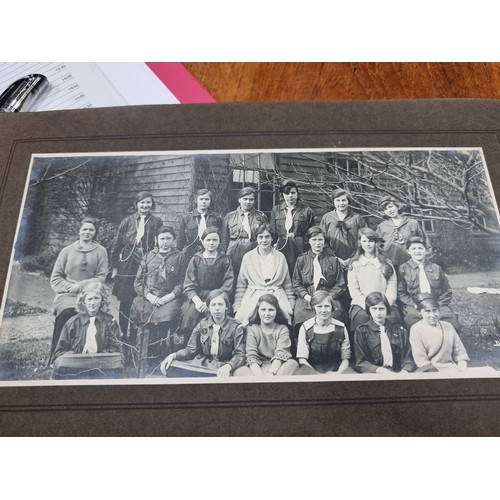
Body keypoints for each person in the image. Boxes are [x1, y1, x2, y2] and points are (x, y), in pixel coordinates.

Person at [48, 216, 108, 365]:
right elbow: (56, 277)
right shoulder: (67, 251)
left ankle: (90, 356)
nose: (87, 232)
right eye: (84, 229)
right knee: (67, 312)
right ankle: (57, 357)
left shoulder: (101, 251)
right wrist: (70, 287)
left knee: (96, 315)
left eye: (91, 230)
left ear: (95, 232)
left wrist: (82, 287)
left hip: (92, 292)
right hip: (67, 294)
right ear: (79, 231)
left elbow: (101, 277)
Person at [128, 226, 186, 374]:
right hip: (149, 297)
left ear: (173, 240)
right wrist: (150, 296)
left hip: (170, 298)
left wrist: (172, 295)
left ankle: (164, 354)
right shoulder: (149, 256)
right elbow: (138, 282)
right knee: (142, 311)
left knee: (170, 314)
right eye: (162, 239)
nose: (165, 242)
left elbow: (182, 281)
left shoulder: (179, 256)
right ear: (156, 239)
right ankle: (147, 357)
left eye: (168, 238)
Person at [111, 191, 163, 338]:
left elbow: (160, 243)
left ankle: (137, 332)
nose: (145, 205)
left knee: (141, 295)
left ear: (151, 204)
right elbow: (117, 244)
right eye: (142, 202)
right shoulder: (127, 222)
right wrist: (114, 267)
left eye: (148, 202)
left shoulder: (156, 222)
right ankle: (123, 331)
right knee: (126, 297)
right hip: (127, 262)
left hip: (146, 260)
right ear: (136, 204)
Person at [160, 289, 246, 377]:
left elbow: (240, 354)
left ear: (226, 307)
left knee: (234, 375)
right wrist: (174, 355)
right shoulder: (202, 324)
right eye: (213, 305)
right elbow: (190, 350)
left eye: (220, 304)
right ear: (208, 307)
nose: (217, 308)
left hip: (223, 365)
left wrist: (229, 366)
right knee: (171, 366)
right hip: (202, 364)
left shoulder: (235, 327)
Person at [291, 226, 347, 354]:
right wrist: (307, 297)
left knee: (336, 315)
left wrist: (329, 297)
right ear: (308, 241)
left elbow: (340, 284)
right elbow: (296, 283)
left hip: (328, 296)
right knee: (300, 317)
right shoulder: (302, 259)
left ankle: (334, 351)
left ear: (324, 241)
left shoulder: (333, 260)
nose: (317, 243)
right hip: (307, 297)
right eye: (314, 239)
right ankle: (303, 352)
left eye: (320, 240)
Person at [52, 282, 122, 379]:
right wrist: (77, 357)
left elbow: (116, 348)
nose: (93, 303)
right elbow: (60, 351)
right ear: (83, 301)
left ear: (102, 300)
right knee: (61, 362)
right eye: (89, 299)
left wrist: (97, 357)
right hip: (77, 362)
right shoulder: (73, 322)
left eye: (96, 298)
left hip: (102, 363)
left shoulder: (110, 322)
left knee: (118, 360)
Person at [179, 227, 234, 347]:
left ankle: (215, 348)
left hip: (218, 297)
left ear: (219, 242)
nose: (211, 243)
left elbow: (228, 284)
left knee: (218, 315)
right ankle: (189, 348)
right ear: (202, 241)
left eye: (215, 240)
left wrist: (213, 301)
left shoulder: (225, 260)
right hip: (199, 298)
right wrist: (198, 302)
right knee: (190, 315)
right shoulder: (196, 259)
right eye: (208, 240)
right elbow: (189, 285)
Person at [234, 223, 295, 326]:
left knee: (284, 320)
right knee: (244, 320)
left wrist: (291, 305)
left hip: (276, 295)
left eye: (267, 237)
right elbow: (241, 285)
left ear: (272, 238)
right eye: (260, 237)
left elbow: (287, 285)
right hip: (253, 295)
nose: (264, 240)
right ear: (256, 239)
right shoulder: (248, 257)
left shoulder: (280, 257)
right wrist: (237, 306)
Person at [397, 236, 460, 331]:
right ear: (408, 251)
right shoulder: (403, 269)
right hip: (415, 305)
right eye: (413, 248)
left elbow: (447, 290)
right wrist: (413, 304)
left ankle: (446, 343)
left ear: (426, 251)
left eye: (420, 248)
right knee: (411, 322)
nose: (417, 251)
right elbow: (401, 292)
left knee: (452, 322)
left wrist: (439, 304)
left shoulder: (436, 268)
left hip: (437, 303)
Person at [347, 227, 400, 333]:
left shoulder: (386, 263)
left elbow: (392, 287)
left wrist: (384, 305)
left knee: (392, 319)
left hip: (385, 304)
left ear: (376, 242)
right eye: (364, 241)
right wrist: (368, 307)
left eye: (370, 241)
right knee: (361, 320)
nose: (367, 244)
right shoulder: (355, 264)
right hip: (361, 305)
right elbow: (354, 290)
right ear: (360, 243)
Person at [235, 294, 298, 377]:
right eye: (263, 309)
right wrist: (260, 377)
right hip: (258, 368)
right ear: (258, 311)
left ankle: (274, 385)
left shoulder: (282, 329)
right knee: (240, 371)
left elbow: (281, 353)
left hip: (277, 367)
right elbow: (251, 355)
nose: (267, 313)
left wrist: (271, 373)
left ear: (276, 312)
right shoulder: (252, 329)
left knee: (292, 363)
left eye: (271, 310)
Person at [353, 292, 415, 374]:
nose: (378, 313)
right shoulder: (362, 331)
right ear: (369, 310)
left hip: (398, 372)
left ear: (387, 309)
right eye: (374, 309)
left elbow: (408, 358)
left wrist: (405, 371)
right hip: (375, 373)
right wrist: (380, 371)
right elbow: (360, 362)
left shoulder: (399, 330)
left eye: (381, 309)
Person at [295, 291, 352, 375]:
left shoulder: (341, 327)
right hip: (312, 372)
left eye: (327, 306)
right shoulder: (305, 327)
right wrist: (317, 375)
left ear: (332, 307)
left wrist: (338, 373)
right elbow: (302, 360)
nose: (324, 310)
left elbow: (345, 359)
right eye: (319, 306)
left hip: (336, 371)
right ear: (314, 308)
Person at [409, 295, 469, 372]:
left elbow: (460, 354)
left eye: (435, 310)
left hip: (451, 370)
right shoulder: (416, 329)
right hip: (429, 372)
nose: (432, 315)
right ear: (420, 312)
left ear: (439, 310)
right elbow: (421, 361)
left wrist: (462, 369)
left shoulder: (448, 326)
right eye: (427, 311)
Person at [270, 179, 315, 276]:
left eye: (293, 193)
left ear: (297, 194)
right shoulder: (276, 210)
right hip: (282, 244)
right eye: (287, 193)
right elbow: (273, 232)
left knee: (300, 272)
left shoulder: (306, 211)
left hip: (300, 246)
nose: (290, 196)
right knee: (282, 271)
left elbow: (312, 233)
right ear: (283, 195)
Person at [220, 187, 268, 277]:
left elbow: (266, 236)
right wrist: (223, 255)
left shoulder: (261, 216)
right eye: (245, 199)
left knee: (253, 275)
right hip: (234, 250)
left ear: (254, 201)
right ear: (239, 200)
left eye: (251, 199)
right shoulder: (230, 216)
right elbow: (224, 238)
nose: (248, 202)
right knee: (233, 276)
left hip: (253, 249)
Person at [376, 196, 429, 267]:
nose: (389, 210)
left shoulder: (412, 223)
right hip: (390, 266)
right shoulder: (382, 227)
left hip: (410, 266)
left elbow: (426, 244)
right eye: (385, 209)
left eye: (391, 207)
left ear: (397, 206)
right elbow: (377, 247)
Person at [319, 188, 366, 266]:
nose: (341, 203)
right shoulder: (327, 218)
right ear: (333, 201)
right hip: (333, 260)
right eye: (338, 200)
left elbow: (364, 238)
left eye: (344, 200)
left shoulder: (357, 218)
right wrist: (334, 257)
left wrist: (354, 257)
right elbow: (323, 240)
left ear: (348, 201)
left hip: (355, 260)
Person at [177, 188, 223, 260]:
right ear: (196, 200)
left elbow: (222, 237)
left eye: (207, 199)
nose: (204, 202)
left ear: (210, 201)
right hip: (190, 254)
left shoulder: (216, 218)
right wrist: (178, 254)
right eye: (201, 199)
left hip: (211, 252)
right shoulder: (187, 218)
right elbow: (181, 239)